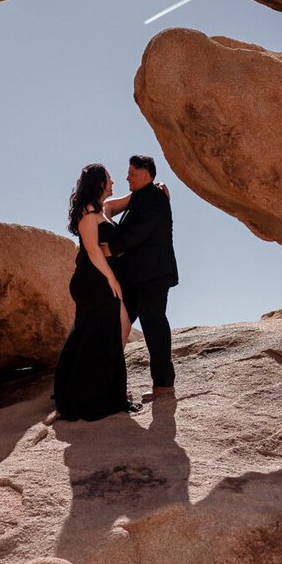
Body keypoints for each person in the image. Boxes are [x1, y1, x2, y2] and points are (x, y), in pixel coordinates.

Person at [53, 164, 141, 420]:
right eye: (109, 179)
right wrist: (112, 279)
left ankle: (99, 388)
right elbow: (92, 249)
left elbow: (128, 200)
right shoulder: (88, 212)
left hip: (99, 278)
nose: (113, 182)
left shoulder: (104, 208)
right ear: (99, 183)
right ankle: (98, 394)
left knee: (107, 330)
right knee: (112, 328)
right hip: (93, 279)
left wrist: (153, 188)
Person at [104, 154, 178, 394]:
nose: (127, 178)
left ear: (146, 174)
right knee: (117, 326)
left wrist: (112, 248)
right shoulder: (139, 197)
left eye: (132, 174)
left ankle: (163, 384)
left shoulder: (155, 198)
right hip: (135, 278)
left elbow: (142, 231)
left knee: (153, 325)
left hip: (152, 275)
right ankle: (109, 383)